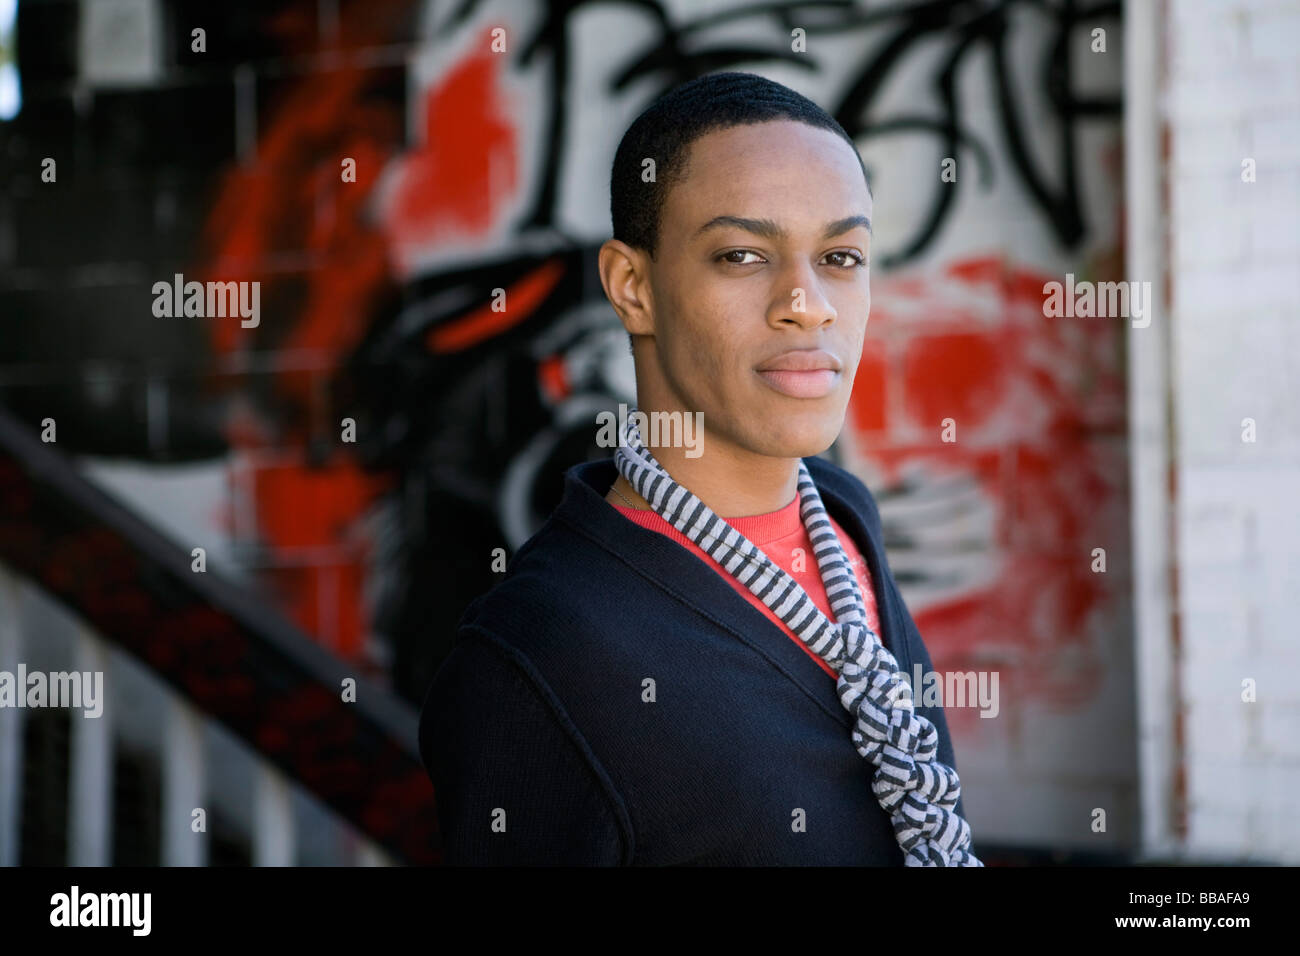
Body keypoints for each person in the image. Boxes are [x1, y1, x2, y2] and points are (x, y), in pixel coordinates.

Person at [418, 71, 981, 866]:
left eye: (841, 255)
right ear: (632, 287)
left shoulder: (846, 522)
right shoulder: (535, 662)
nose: (808, 302)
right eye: (743, 254)